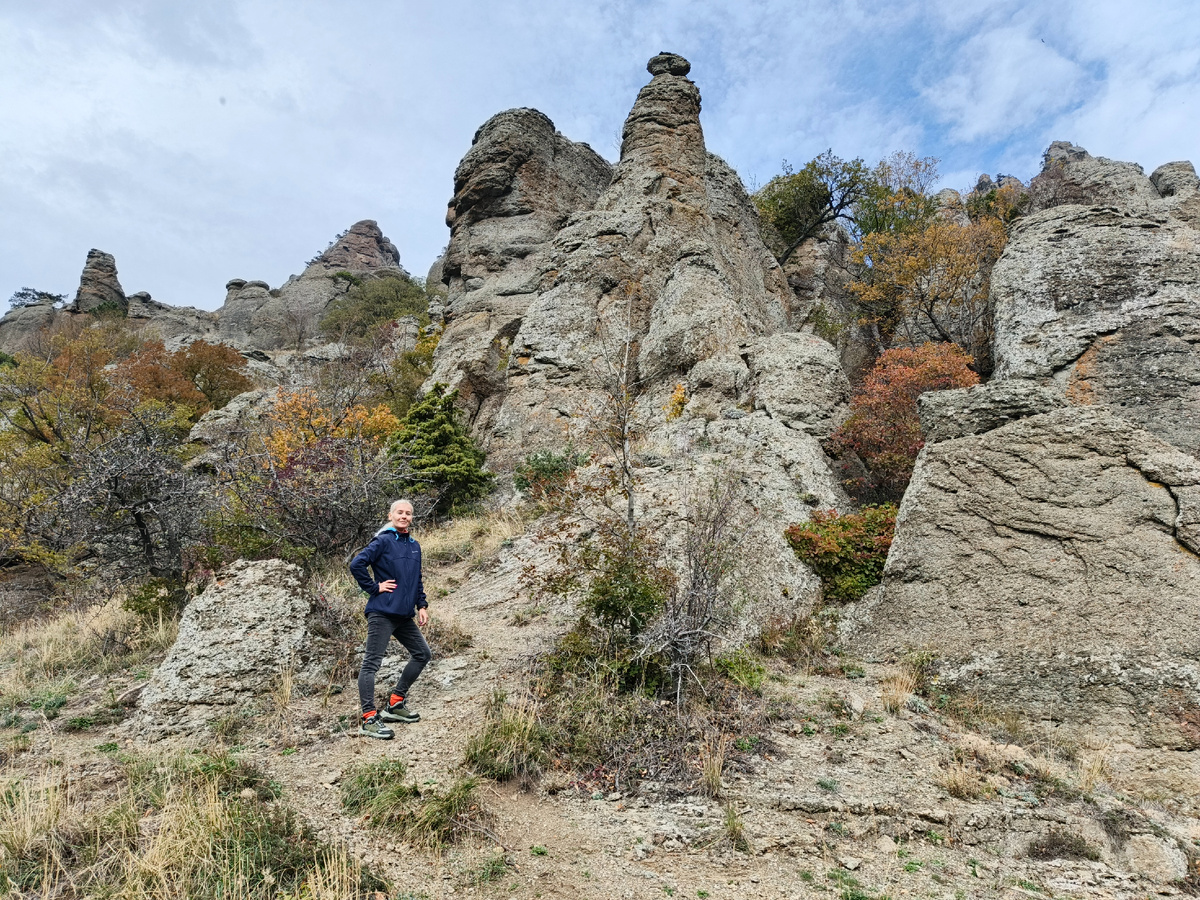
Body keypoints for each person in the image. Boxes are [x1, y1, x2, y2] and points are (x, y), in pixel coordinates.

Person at [349, 498, 431, 740]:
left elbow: (416, 579)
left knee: (422, 654)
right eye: (399, 513)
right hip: (382, 612)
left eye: (408, 513)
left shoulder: (414, 546)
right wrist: (374, 588)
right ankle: (368, 718)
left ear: (411, 518)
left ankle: (395, 704)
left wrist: (422, 605)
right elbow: (357, 564)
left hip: (404, 615)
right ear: (390, 516)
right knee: (371, 664)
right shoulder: (383, 541)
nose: (404, 516)